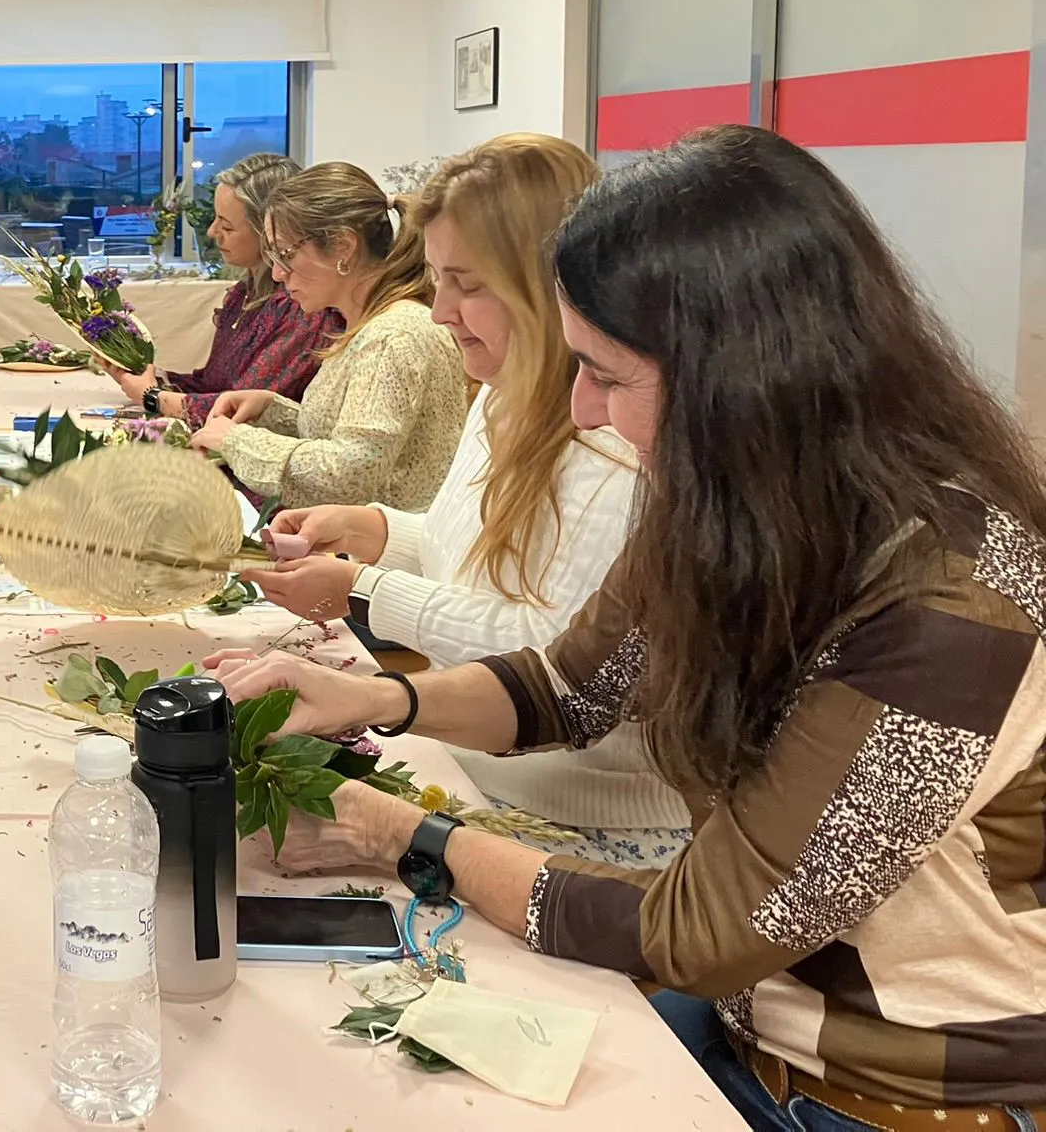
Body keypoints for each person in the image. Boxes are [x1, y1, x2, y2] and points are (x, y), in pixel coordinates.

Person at [208, 126, 1046, 1129]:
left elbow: (709, 927)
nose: (583, 411)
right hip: (751, 1031)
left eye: (607, 375)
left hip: (882, 1095)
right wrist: (369, 697)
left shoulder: (948, 604)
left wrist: (405, 836)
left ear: (745, 375)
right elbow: (568, 686)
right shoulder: (742, 506)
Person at [251, 135, 688, 863]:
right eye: (435, 280)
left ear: (551, 287)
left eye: (468, 285)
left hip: (582, 817)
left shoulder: (619, 445)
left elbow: (553, 663)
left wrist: (364, 588)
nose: (440, 311)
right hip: (477, 763)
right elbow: (478, 558)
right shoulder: (500, 394)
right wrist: (375, 530)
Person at [189, 160, 465, 510]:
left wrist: (236, 441)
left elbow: (349, 474)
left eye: (285, 254)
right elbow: (351, 436)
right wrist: (272, 409)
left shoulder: (393, 335)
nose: (277, 274)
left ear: (343, 246)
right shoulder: (370, 325)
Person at [103, 153, 338, 427]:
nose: (213, 232)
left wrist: (154, 397)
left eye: (227, 226)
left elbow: (241, 411)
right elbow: (211, 385)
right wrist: (142, 374)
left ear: (269, 232)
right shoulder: (245, 294)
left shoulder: (303, 309)